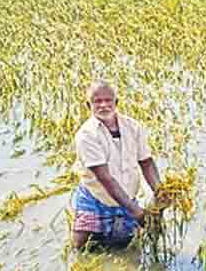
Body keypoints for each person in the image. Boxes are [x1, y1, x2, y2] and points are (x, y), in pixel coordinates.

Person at [70, 81, 164, 250]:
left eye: (108, 100)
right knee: (81, 247)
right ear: (88, 105)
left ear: (116, 102)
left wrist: (160, 192)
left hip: (127, 196)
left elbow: (146, 162)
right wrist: (136, 212)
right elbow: (104, 178)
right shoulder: (86, 135)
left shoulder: (133, 127)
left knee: (125, 247)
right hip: (96, 198)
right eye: (97, 101)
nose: (103, 105)